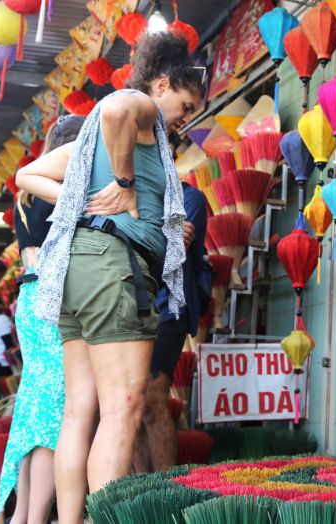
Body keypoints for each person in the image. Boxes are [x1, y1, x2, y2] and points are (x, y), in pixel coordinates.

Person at [15, 31, 203, 524]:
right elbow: (120, 105)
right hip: (110, 266)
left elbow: (28, 176)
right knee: (123, 405)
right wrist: (121, 186)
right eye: (185, 105)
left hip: (75, 270)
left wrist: (85, 203)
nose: (186, 118)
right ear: (162, 85)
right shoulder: (138, 107)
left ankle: (72, 518)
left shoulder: (90, 137)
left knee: (82, 411)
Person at [0, 116, 85, 524]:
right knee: (53, 417)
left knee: (34, 414)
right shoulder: (59, 190)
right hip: (52, 299)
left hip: (29, 300)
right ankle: (33, 517)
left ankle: (21, 517)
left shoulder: (26, 197)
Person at [135, 138, 208, 473]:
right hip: (129, 305)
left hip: (168, 307)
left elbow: (170, 253)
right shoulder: (126, 197)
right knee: (130, 406)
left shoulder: (190, 198)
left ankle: (163, 490)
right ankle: (137, 494)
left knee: (152, 401)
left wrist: (151, 233)